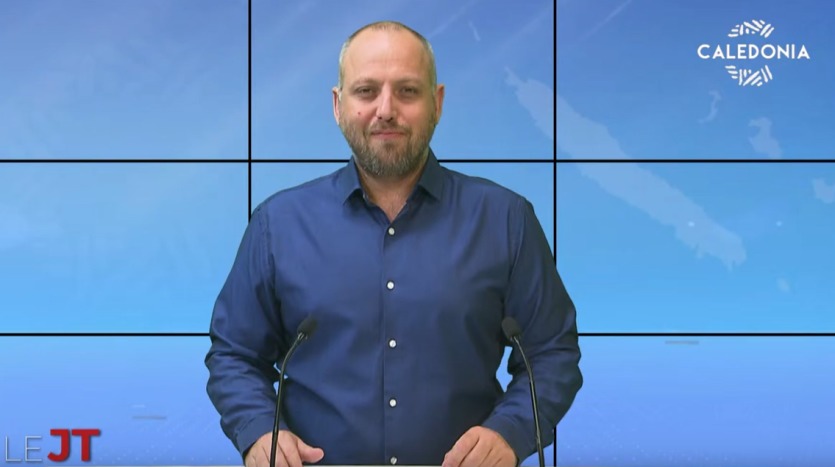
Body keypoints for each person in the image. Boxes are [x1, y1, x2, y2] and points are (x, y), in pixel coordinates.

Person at [205, 20, 582, 467]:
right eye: (366, 91)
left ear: (437, 103)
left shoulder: (505, 219)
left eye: (407, 91)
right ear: (338, 105)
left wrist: (511, 432)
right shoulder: (278, 224)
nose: (385, 110)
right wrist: (258, 431)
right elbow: (235, 354)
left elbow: (551, 353)